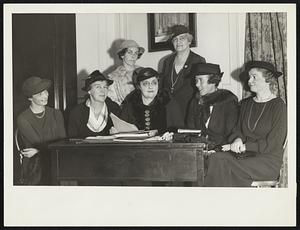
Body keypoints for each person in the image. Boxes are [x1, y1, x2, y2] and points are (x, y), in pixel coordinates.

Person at [204, 61, 287, 187]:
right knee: (215, 158)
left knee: (221, 163)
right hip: (245, 157)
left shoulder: (278, 105)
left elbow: (274, 143)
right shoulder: (246, 104)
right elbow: (237, 130)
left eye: (254, 77)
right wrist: (237, 139)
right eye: (249, 77)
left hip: (267, 160)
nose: (249, 81)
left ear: (268, 79)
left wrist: (245, 146)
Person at [16, 76, 66, 185]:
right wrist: (40, 151)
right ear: (30, 98)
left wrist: (39, 151)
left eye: (45, 91)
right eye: (40, 94)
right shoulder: (23, 118)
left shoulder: (56, 114)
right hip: (35, 166)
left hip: (56, 160)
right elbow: (38, 142)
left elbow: (63, 143)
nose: (45, 95)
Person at [161, 24, 206, 125]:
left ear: (189, 41)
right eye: (175, 39)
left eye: (182, 38)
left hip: (189, 109)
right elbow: (163, 86)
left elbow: (203, 87)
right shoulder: (167, 61)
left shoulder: (198, 60)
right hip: (169, 110)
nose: (178, 42)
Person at [187, 63, 239, 149]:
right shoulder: (195, 101)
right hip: (198, 149)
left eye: (200, 80)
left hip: (221, 150)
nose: (197, 84)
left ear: (213, 81)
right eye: (196, 80)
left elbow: (232, 133)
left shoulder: (228, 101)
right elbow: (190, 130)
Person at [120, 67, 184, 134]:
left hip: (164, 143)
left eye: (154, 83)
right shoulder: (130, 103)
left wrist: (158, 132)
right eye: (146, 83)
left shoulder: (169, 103)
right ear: (139, 86)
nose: (150, 87)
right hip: (136, 144)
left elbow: (179, 130)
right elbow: (122, 128)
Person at [68, 70, 121, 138]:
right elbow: (72, 142)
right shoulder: (77, 112)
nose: (103, 91)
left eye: (105, 87)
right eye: (98, 87)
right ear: (89, 91)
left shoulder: (114, 108)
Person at [108, 39, 145, 105]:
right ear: (122, 55)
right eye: (130, 52)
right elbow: (112, 101)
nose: (133, 56)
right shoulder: (113, 76)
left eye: (136, 53)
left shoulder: (144, 72)